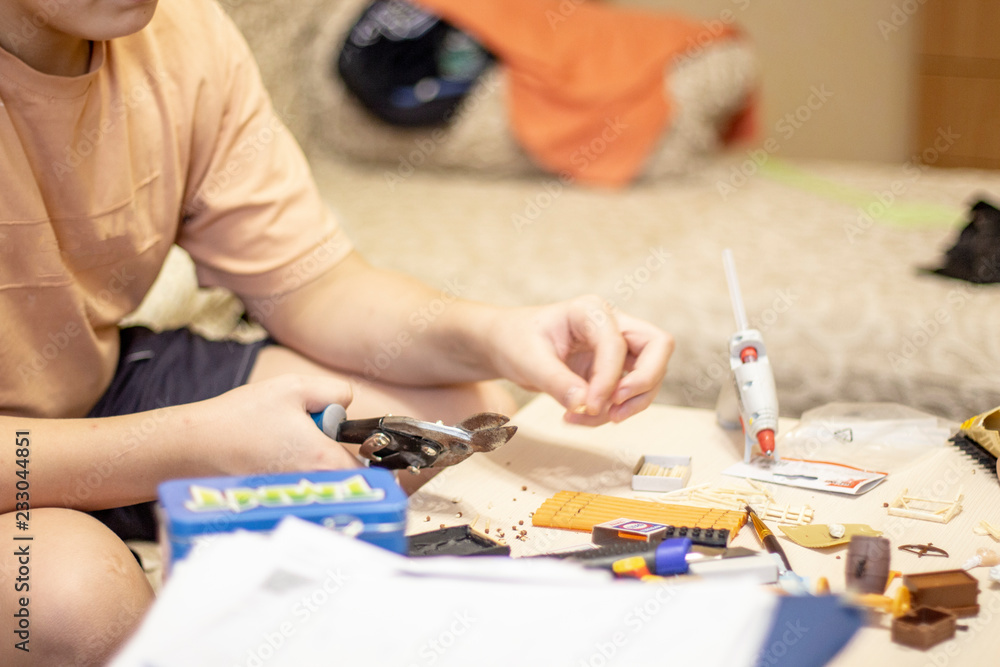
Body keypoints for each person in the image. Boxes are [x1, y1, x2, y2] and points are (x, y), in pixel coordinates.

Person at [0, 0, 673, 664]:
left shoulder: (182, 31)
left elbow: (311, 285)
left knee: (453, 419)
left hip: (89, 380)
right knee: (75, 599)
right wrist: (188, 446)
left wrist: (496, 332)